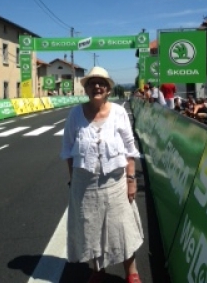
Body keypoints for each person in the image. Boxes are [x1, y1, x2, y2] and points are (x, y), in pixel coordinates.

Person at [61, 66, 144, 283]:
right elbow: (68, 150)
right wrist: (73, 181)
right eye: (91, 83)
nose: (96, 86)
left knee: (122, 227)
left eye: (101, 83)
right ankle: (98, 270)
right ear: (87, 89)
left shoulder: (118, 113)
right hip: (84, 185)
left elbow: (129, 148)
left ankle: (132, 271)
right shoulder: (75, 115)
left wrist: (131, 180)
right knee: (91, 229)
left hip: (116, 182)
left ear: (108, 89)